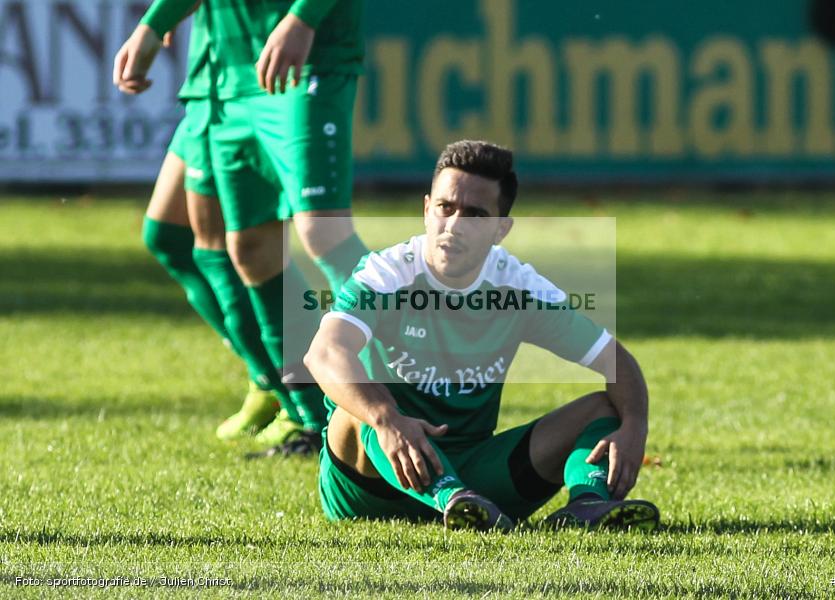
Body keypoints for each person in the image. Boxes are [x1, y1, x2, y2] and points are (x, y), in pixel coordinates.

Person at [304, 140, 661, 531]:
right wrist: (387, 419)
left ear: (500, 230)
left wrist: (635, 427)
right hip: (370, 488)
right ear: (426, 210)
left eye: (475, 215)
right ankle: (450, 496)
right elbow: (324, 353)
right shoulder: (386, 274)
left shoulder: (519, 288)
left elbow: (614, 359)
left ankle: (587, 506)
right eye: (445, 208)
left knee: (605, 409)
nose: (454, 225)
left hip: (477, 481)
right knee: (357, 413)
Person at [115, 0, 368, 452]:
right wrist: (155, 23)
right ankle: (299, 403)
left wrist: (303, 16)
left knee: (323, 235)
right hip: (225, 69)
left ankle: (418, 376)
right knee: (246, 248)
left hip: (302, 57)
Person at [114, 8, 287, 442]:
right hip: (210, 73)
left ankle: (297, 397)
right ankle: (265, 376)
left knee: (241, 247)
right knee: (167, 235)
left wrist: (152, 25)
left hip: (249, 74)